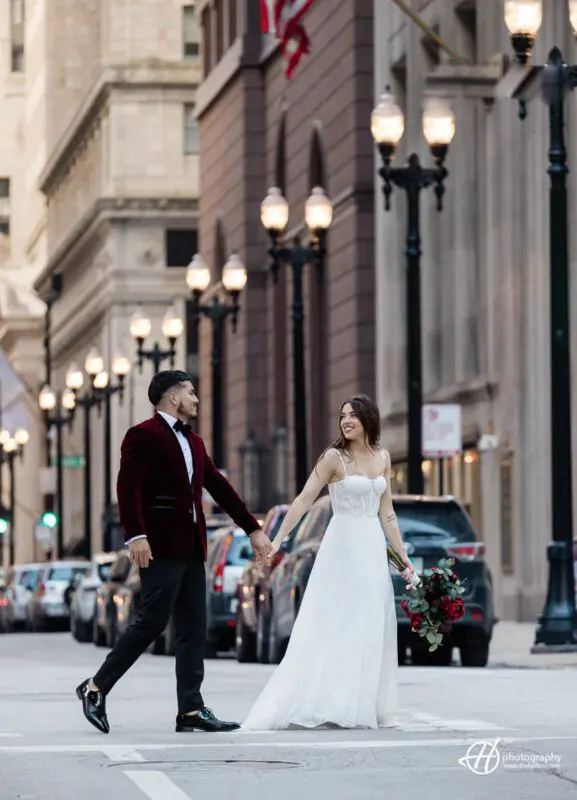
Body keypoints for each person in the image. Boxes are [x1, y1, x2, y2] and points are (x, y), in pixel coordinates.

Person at [76, 370, 271, 734]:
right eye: (191, 393)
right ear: (172, 398)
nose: (197, 399)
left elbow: (220, 487)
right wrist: (135, 535)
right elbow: (128, 487)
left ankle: (191, 709)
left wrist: (253, 528)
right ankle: (95, 687)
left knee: (193, 628)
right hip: (159, 547)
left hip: (193, 548)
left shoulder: (194, 442)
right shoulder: (142, 436)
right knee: (152, 620)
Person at [242, 394, 414, 731]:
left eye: (353, 415)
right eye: (343, 415)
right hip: (341, 548)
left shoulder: (382, 457)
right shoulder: (334, 458)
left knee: (369, 623)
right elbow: (305, 499)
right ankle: (332, 700)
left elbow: (387, 513)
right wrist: (277, 539)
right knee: (338, 621)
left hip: (371, 550)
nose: (346, 420)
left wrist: (404, 560)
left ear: (369, 419)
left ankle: (362, 702)